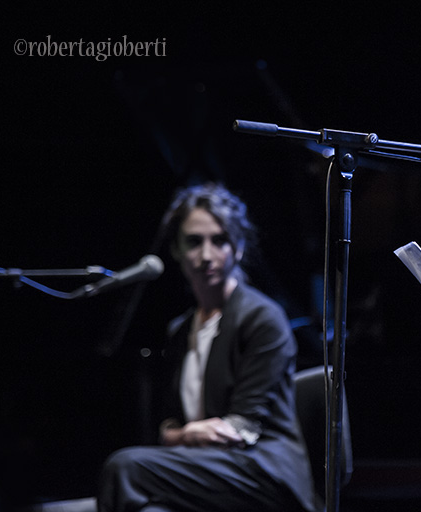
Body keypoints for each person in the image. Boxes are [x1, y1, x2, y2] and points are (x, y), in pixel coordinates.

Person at [98, 183, 317, 512]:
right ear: (176, 250)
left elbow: (240, 428)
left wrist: (181, 436)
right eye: (194, 242)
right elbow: (168, 423)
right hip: (204, 468)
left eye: (219, 240)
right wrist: (187, 434)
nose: (206, 255)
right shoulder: (180, 330)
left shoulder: (262, 319)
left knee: (124, 467)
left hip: (261, 472)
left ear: (238, 248)